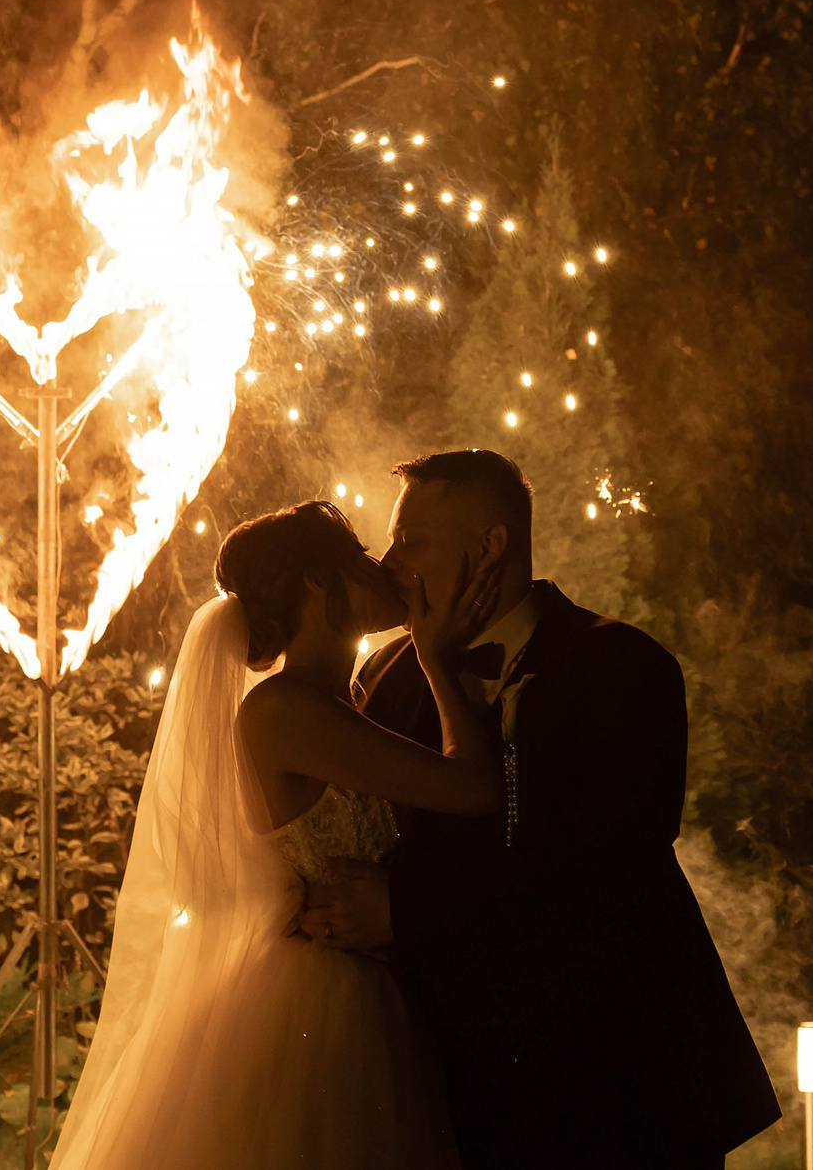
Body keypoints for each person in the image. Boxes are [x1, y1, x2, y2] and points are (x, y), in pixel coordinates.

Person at [299, 449, 783, 1169]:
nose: (390, 560)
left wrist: (406, 905)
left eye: (414, 540)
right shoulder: (385, 675)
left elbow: (605, 865)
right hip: (451, 1094)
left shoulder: (620, 664)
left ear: (490, 544)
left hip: (614, 1086)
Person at [50, 500, 504, 1170]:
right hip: (321, 1009)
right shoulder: (285, 710)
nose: (381, 566)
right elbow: (474, 788)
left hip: (362, 978)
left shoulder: (345, 693)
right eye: (358, 558)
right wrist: (435, 656)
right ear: (319, 583)